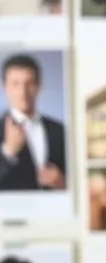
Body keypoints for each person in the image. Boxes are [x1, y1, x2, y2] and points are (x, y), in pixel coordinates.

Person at [0, 54, 66, 194]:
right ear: (5, 87)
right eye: (15, 84)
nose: (22, 92)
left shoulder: (60, 130)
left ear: (39, 86)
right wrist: (7, 153)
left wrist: (63, 184)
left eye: (29, 83)